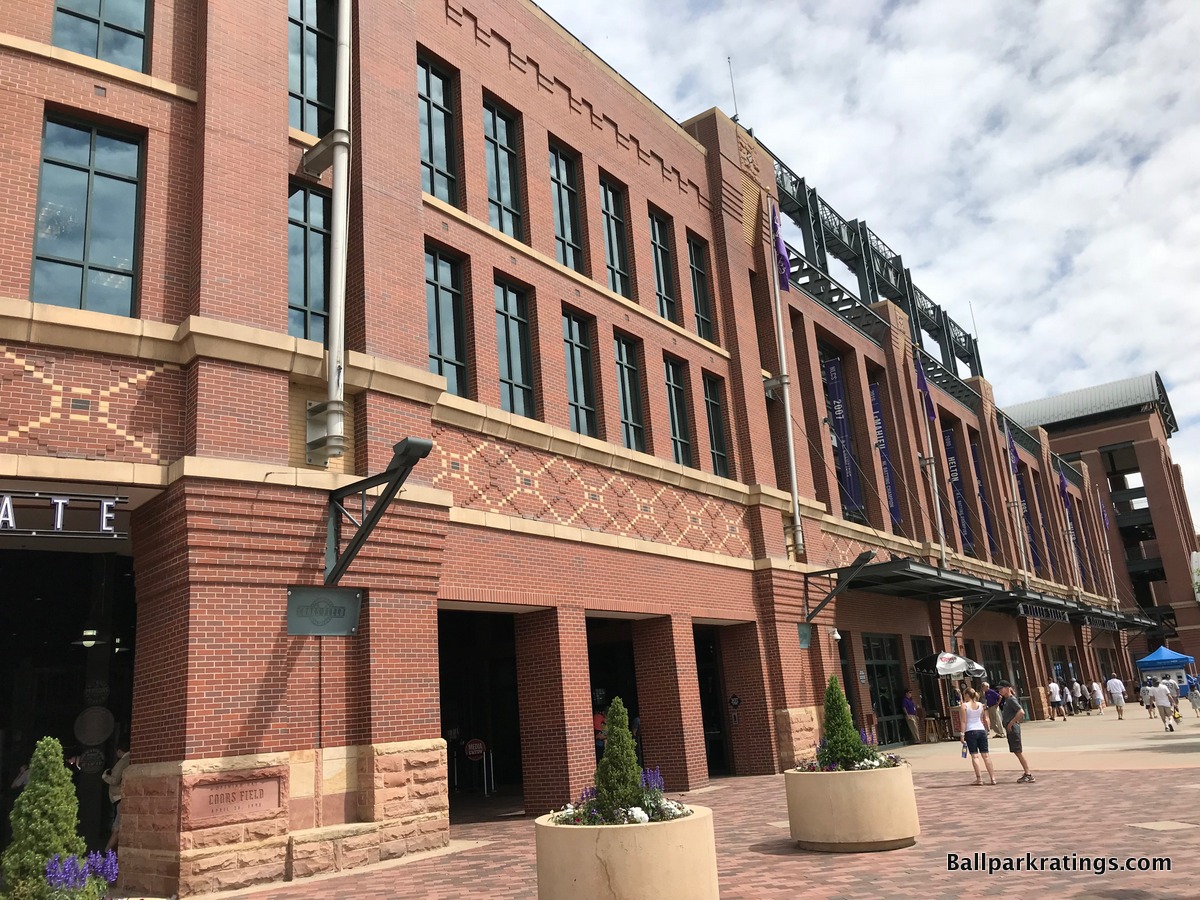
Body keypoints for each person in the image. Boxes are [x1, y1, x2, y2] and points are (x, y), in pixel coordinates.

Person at [996, 680, 1034, 783]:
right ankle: (1027, 773)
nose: (1000, 690)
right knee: (1017, 752)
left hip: (1013, 729)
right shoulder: (1007, 700)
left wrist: (1011, 723)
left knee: (1018, 752)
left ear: (1007, 688)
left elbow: (1021, 712)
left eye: (1001, 688)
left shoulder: (1011, 700)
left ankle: (1028, 773)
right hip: (1011, 729)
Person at [959, 688, 996, 785]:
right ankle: (992, 778)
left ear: (967, 695)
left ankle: (979, 779)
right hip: (981, 729)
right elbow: (984, 718)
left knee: (975, 756)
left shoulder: (964, 706)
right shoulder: (981, 705)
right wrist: (987, 729)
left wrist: (962, 734)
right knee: (986, 755)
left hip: (970, 731)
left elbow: (963, 721)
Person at [102, 744, 130, 852]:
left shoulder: (123, 761)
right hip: (123, 797)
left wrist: (105, 776)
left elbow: (114, 780)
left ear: (119, 751)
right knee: (117, 827)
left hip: (120, 797)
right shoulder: (131, 759)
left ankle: (106, 854)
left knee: (116, 828)